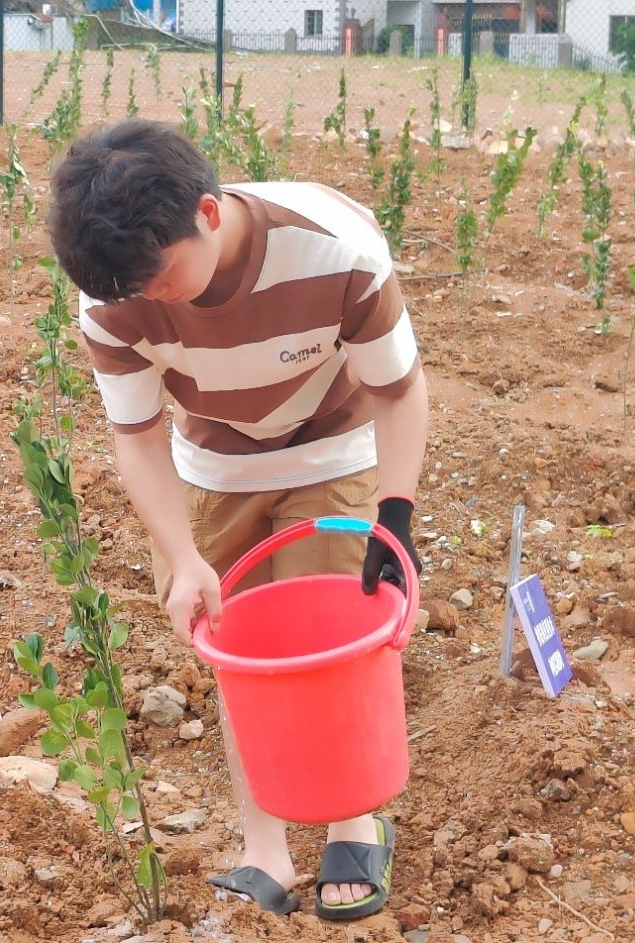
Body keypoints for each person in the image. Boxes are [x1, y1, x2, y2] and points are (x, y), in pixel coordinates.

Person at [46, 119, 427, 921]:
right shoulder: (114, 294)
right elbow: (136, 432)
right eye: (133, 288)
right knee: (239, 648)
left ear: (211, 214)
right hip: (216, 465)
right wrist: (182, 555)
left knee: (328, 643)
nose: (152, 297)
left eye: (162, 276)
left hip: (332, 449)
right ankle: (264, 842)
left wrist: (396, 521)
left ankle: (353, 823)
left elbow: (397, 390)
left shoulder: (338, 248)